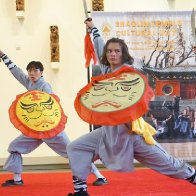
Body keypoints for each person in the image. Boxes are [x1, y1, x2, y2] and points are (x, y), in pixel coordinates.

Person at [67, 18, 196, 196]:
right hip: (108, 132)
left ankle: (193, 175)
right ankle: (80, 190)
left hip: (131, 132)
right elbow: (99, 46)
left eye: (117, 51)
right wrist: (93, 29)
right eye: (110, 51)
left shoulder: (129, 74)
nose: (112, 54)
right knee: (76, 147)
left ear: (123, 54)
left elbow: (139, 99)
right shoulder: (106, 71)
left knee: (167, 163)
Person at [0, 50, 108, 187]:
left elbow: (50, 106)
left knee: (73, 152)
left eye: (35, 71)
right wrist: (4, 56)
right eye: (30, 71)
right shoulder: (29, 83)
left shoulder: (45, 86)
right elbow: (16, 72)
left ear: (41, 72)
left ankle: (100, 177)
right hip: (35, 129)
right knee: (15, 147)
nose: (32, 73)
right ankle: (17, 179)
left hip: (51, 129)